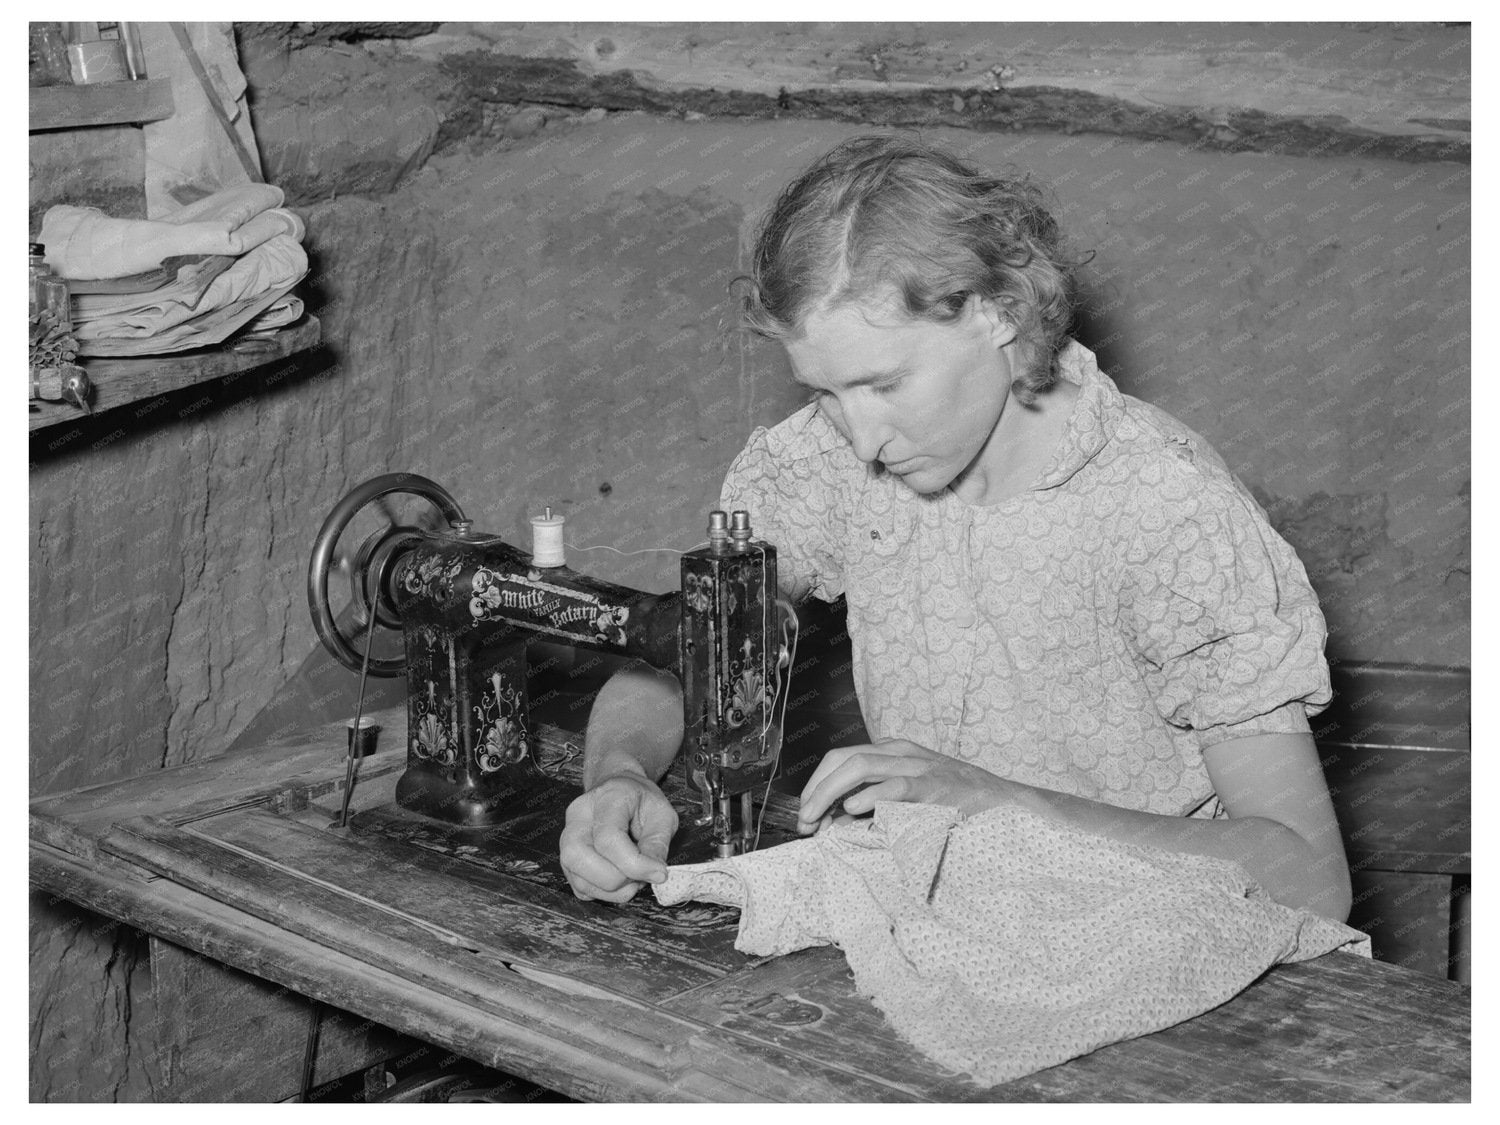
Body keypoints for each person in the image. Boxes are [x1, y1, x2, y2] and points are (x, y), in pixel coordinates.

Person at [559, 133, 1352, 923]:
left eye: (885, 383)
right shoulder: (822, 465)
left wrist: (991, 800)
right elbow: (691, 645)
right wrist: (618, 776)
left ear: (1000, 312)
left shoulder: (1169, 513)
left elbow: (1307, 876)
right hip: (944, 921)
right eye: (829, 393)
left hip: (1166, 936)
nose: (863, 439)